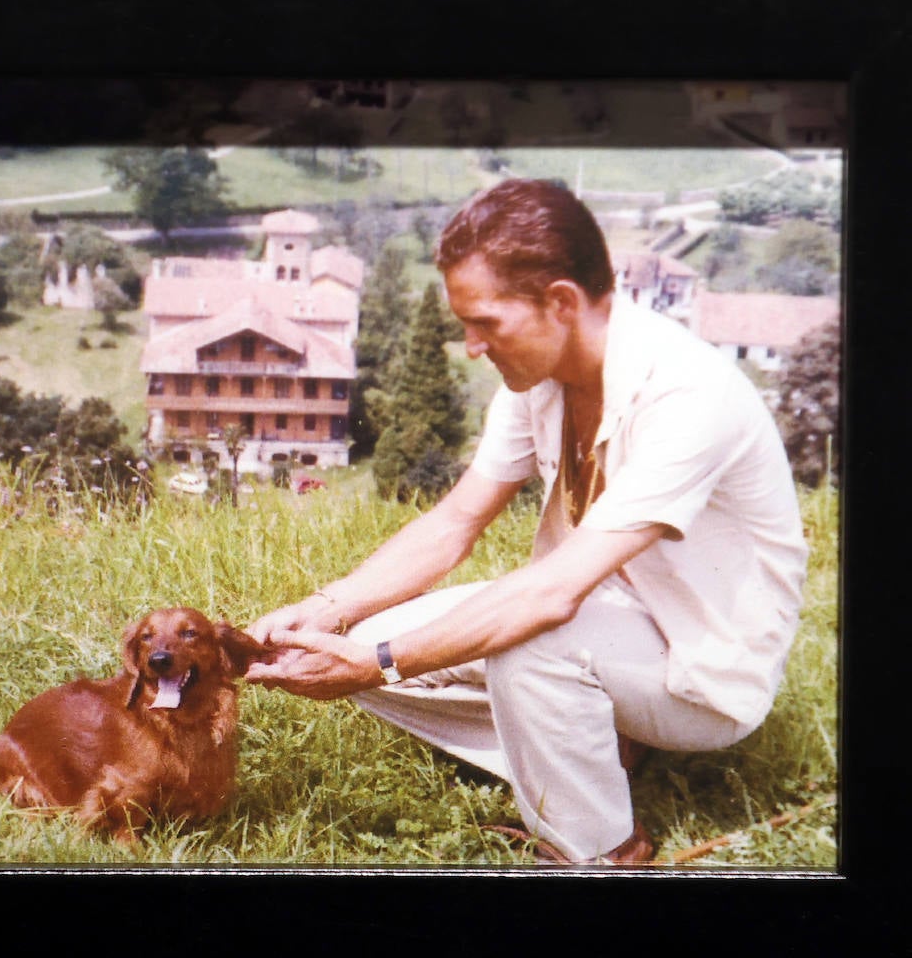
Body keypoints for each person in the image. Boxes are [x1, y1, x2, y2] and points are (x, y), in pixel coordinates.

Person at [245, 178, 809, 864]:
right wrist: (325, 612)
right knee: (366, 634)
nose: (471, 346)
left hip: (706, 667)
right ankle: (589, 743)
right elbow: (457, 521)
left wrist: (378, 667)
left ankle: (597, 849)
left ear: (561, 302)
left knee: (520, 638)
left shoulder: (689, 393)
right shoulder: (539, 371)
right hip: (611, 621)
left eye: (484, 323)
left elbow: (550, 596)